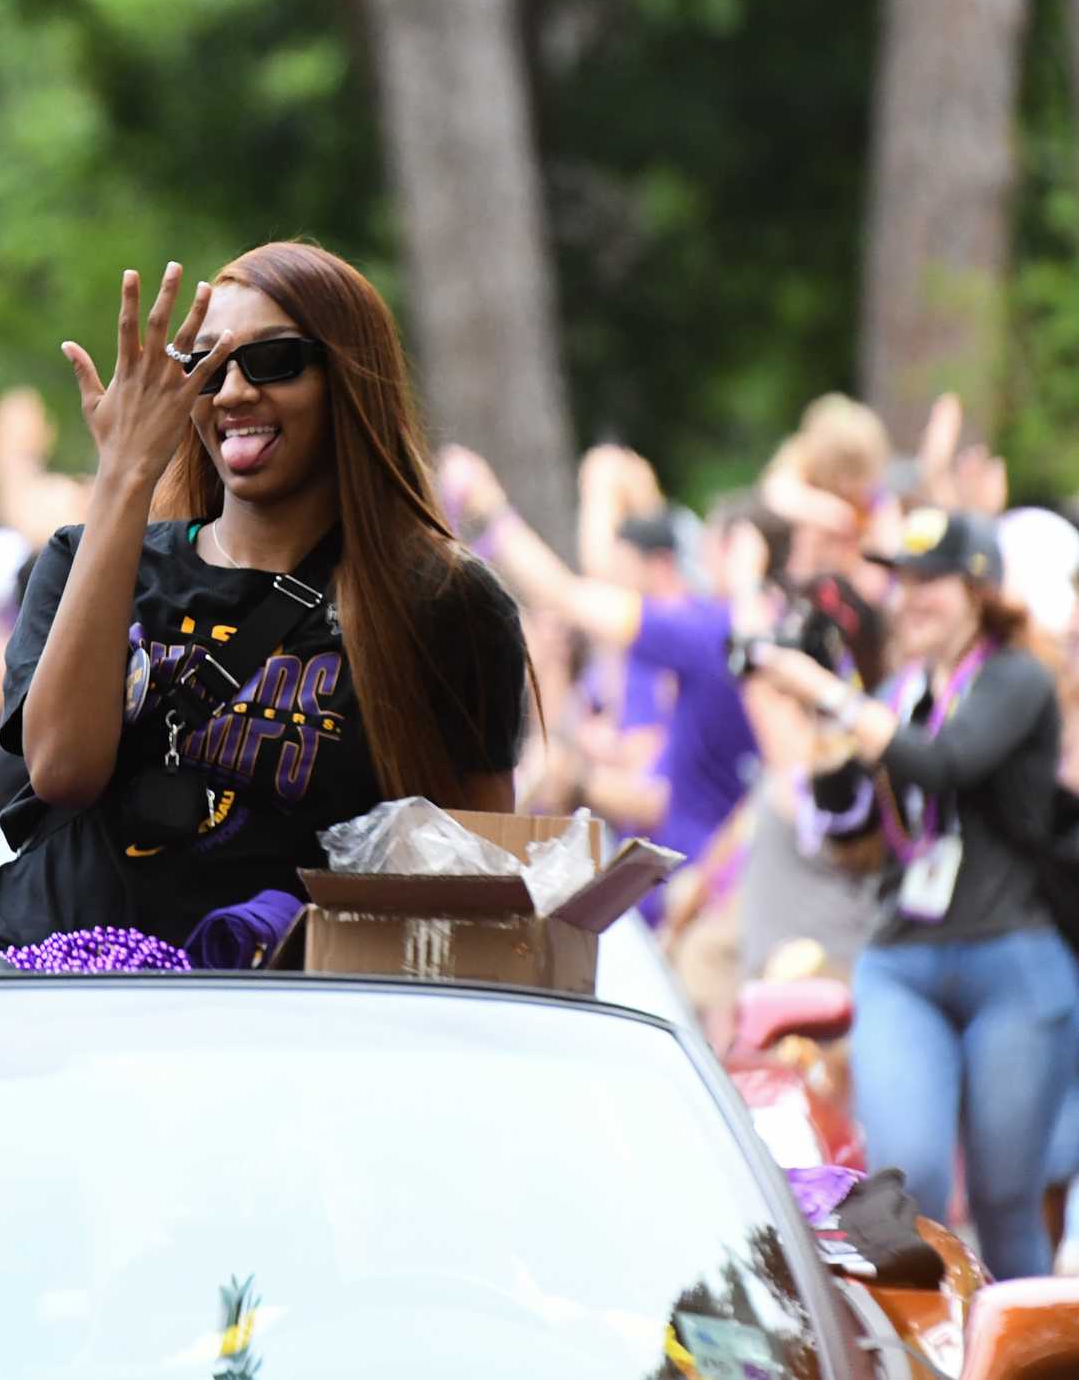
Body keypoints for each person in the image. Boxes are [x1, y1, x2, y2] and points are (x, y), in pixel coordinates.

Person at [0, 244, 528, 970]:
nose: (234, 391)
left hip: (283, 1023)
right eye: (205, 367)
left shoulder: (442, 603)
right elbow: (63, 770)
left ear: (348, 380)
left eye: (273, 360)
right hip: (53, 990)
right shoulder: (84, 561)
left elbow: (479, 872)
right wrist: (125, 473)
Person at [749, 508, 1075, 1279]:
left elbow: (945, 765)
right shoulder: (896, 692)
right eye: (903, 580)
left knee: (1003, 1203)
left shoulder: (1017, 678)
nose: (911, 596)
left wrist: (832, 697)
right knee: (909, 1187)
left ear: (979, 588)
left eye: (932, 580)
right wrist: (816, 719)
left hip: (1013, 959)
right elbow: (842, 824)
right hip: (903, 963)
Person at [442, 448, 763, 915]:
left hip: (682, 896)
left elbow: (568, 592)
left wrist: (491, 507)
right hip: (668, 892)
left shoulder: (705, 631)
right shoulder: (721, 638)